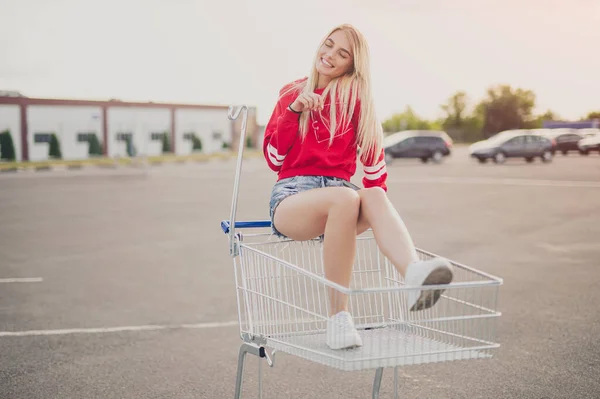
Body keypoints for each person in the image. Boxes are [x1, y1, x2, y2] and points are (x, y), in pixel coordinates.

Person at [262, 23, 454, 350]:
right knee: (344, 198)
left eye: (342, 53)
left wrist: (372, 204)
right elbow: (274, 159)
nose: (330, 55)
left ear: (352, 64)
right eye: (328, 44)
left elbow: (375, 167)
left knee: (372, 193)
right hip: (293, 199)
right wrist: (294, 113)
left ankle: (413, 276)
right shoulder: (290, 94)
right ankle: (338, 319)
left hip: (342, 202)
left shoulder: (355, 99)